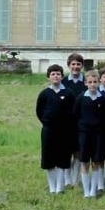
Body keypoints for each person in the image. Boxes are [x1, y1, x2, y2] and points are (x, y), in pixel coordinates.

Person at [36, 64, 76, 194]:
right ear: (48, 77)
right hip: (49, 131)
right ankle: (52, 186)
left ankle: (60, 187)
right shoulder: (44, 94)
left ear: (62, 76)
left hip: (64, 132)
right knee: (49, 159)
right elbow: (39, 111)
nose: (55, 76)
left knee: (62, 159)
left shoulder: (69, 93)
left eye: (58, 74)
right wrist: (48, 123)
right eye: (53, 74)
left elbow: (73, 111)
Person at [73, 69, 105, 198]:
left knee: (96, 162)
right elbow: (75, 115)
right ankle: (86, 191)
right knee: (84, 163)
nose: (93, 84)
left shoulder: (102, 99)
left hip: (97, 135)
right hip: (84, 134)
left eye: (95, 82)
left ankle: (93, 190)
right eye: (90, 82)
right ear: (85, 83)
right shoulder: (81, 98)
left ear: (99, 83)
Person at [62, 53, 87, 187]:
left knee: (78, 151)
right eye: (73, 64)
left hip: (82, 122)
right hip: (67, 123)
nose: (76, 67)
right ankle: (66, 180)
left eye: (78, 64)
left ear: (82, 66)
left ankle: (75, 179)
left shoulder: (87, 82)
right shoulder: (63, 82)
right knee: (67, 151)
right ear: (69, 65)